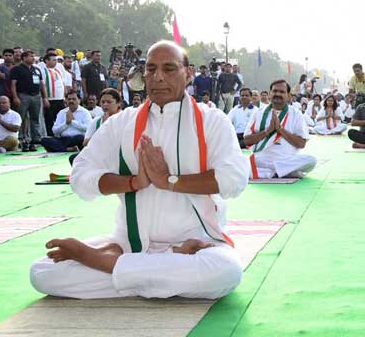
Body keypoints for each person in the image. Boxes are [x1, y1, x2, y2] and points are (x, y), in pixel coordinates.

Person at [29, 40, 249, 300]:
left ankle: (104, 263)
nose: (158, 77)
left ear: (188, 74)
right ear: (143, 76)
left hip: (195, 243)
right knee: (42, 272)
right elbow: (80, 176)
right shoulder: (123, 123)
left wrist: (170, 181)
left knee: (225, 271)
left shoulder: (212, 120)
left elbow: (234, 179)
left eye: (169, 69)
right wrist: (133, 182)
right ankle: (153, 272)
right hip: (130, 244)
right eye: (151, 69)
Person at [244, 79, 316, 179]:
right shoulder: (258, 113)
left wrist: (280, 129)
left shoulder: (296, 114)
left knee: (311, 160)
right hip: (261, 159)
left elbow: (301, 143)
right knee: (236, 162)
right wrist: (267, 131)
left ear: (288, 96)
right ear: (270, 93)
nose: (278, 94)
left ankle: (270, 172)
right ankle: (284, 172)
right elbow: (247, 140)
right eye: (275, 91)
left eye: (282, 92)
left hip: (285, 159)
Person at [10, 50, 47, 151]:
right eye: (31, 56)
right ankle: (23, 140)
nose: (33, 58)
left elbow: (41, 84)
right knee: (22, 118)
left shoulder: (36, 69)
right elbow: (13, 84)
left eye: (33, 56)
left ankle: (35, 140)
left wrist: (45, 98)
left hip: (36, 96)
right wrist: (15, 97)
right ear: (24, 58)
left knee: (35, 119)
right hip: (23, 95)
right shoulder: (17, 69)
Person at [40, 53, 69, 137]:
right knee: (49, 119)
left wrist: (65, 96)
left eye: (56, 60)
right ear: (47, 61)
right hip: (50, 99)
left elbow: (62, 83)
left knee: (60, 118)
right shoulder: (43, 71)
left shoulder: (57, 70)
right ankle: (50, 136)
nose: (55, 62)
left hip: (60, 99)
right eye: (53, 60)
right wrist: (45, 98)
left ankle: (60, 135)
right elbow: (43, 85)